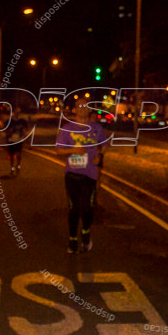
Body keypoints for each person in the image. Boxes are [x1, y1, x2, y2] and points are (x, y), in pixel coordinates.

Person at [56, 97, 108, 253]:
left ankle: (85, 231)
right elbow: (58, 150)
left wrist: (100, 156)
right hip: (72, 174)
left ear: (89, 110)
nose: (82, 108)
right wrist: (73, 150)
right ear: (74, 110)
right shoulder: (67, 129)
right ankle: (72, 239)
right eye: (79, 106)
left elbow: (104, 145)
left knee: (87, 208)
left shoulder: (96, 128)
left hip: (90, 174)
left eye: (85, 106)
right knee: (73, 208)